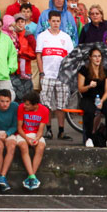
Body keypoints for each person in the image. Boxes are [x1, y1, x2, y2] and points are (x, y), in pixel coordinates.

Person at [34, 11, 73, 140]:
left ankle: (61, 131)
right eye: (53, 21)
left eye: (58, 21)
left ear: (60, 22)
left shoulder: (66, 37)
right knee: (46, 105)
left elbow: (70, 57)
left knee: (61, 105)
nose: (55, 23)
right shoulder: (42, 36)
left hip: (62, 76)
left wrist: (67, 74)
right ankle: (48, 130)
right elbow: (38, 55)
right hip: (47, 75)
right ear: (49, 21)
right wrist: (41, 73)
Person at [76, 46, 107, 148]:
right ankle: (89, 137)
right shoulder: (84, 70)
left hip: (101, 98)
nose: (97, 59)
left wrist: (102, 101)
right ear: (90, 57)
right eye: (95, 56)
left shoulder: (105, 71)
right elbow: (80, 89)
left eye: (99, 56)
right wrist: (89, 86)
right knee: (89, 111)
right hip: (88, 97)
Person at [16, 91, 48, 189]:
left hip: (35, 134)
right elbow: (19, 128)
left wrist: (37, 139)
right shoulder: (21, 107)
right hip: (23, 133)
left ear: (35, 105)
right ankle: (32, 176)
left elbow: (40, 130)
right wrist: (27, 138)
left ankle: (31, 176)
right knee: (23, 146)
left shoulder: (44, 110)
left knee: (41, 147)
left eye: (28, 105)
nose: (25, 106)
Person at [0, 89, 18, 190]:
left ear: (10, 100)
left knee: (12, 145)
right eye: (2, 101)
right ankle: (1, 177)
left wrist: (8, 133)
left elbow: (15, 125)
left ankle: (2, 176)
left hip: (9, 131)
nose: (4, 104)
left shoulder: (15, 106)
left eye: (7, 101)